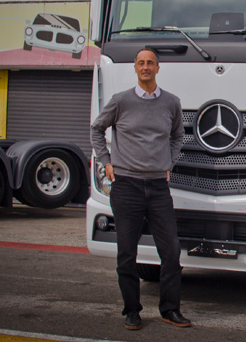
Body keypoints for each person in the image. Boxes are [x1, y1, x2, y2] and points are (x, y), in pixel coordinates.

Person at [90, 48, 189, 330]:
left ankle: (170, 309)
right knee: (126, 253)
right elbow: (97, 129)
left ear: (158, 68)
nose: (146, 67)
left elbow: (178, 135)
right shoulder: (120, 101)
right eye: (141, 63)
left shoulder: (171, 103)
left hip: (158, 187)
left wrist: (170, 161)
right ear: (135, 68)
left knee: (171, 251)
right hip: (126, 186)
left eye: (150, 63)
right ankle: (132, 310)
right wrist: (106, 161)